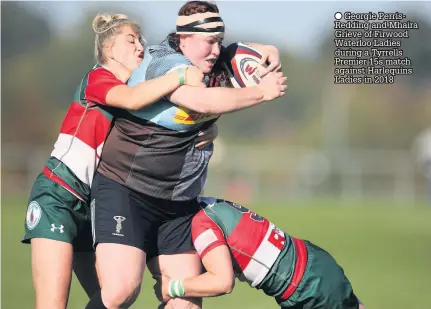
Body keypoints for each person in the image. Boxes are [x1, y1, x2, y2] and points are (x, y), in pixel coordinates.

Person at [86, 1, 287, 309]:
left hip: (178, 205)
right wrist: (261, 92)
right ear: (183, 38)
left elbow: (240, 52)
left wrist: (268, 49)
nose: (216, 50)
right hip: (126, 191)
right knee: (120, 291)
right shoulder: (162, 62)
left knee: (186, 303)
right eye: (209, 41)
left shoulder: (214, 62)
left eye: (218, 41)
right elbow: (199, 101)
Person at [21, 12, 213, 309]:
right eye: (131, 40)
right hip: (58, 197)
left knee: (116, 297)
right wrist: (177, 75)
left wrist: (208, 126)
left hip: (91, 204)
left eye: (141, 40)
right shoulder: (99, 79)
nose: (140, 47)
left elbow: (170, 120)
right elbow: (133, 98)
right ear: (109, 49)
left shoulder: (138, 94)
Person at [155, 197, 367, 309]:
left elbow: (222, 282)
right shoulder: (211, 203)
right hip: (313, 262)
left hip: (306, 286)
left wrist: (172, 287)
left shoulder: (202, 224)